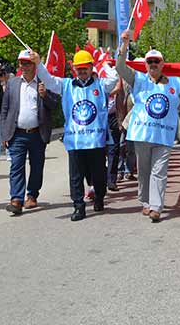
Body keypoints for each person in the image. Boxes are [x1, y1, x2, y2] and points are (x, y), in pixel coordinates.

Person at [36, 50, 119, 220]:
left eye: (85, 68)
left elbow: (115, 78)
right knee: (75, 176)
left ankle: (99, 197)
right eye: (79, 69)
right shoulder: (66, 85)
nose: (82, 72)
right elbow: (49, 81)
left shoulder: (101, 85)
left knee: (98, 173)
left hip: (96, 140)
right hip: (75, 140)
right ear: (74, 69)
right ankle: (78, 206)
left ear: (90, 68)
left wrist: (103, 63)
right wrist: (38, 64)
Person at [116, 30, 180, 222]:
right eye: (150, 62)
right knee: (144, 170)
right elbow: (120, 67)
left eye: (157, 61)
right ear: (145, 65)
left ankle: (156, 207)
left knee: (159, 172)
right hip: (142, 134)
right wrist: (124, 44)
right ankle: (145, 201)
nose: (153, 64)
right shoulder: (137, 79)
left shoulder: (175, 84)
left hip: (164, 136)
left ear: (163, 64)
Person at [1, 50, 60, 216]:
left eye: (27, 63)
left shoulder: (45, 82)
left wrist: (45, 95)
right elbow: (5, 109)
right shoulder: (12, 84)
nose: (23, 66)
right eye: (21, 63)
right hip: (17, 133)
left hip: (37, 133)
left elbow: (54, 105)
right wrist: (4, 135)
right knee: (16, 167)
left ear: (35, 65)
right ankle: (16, 199)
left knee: (37, 166)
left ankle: (32, 194)